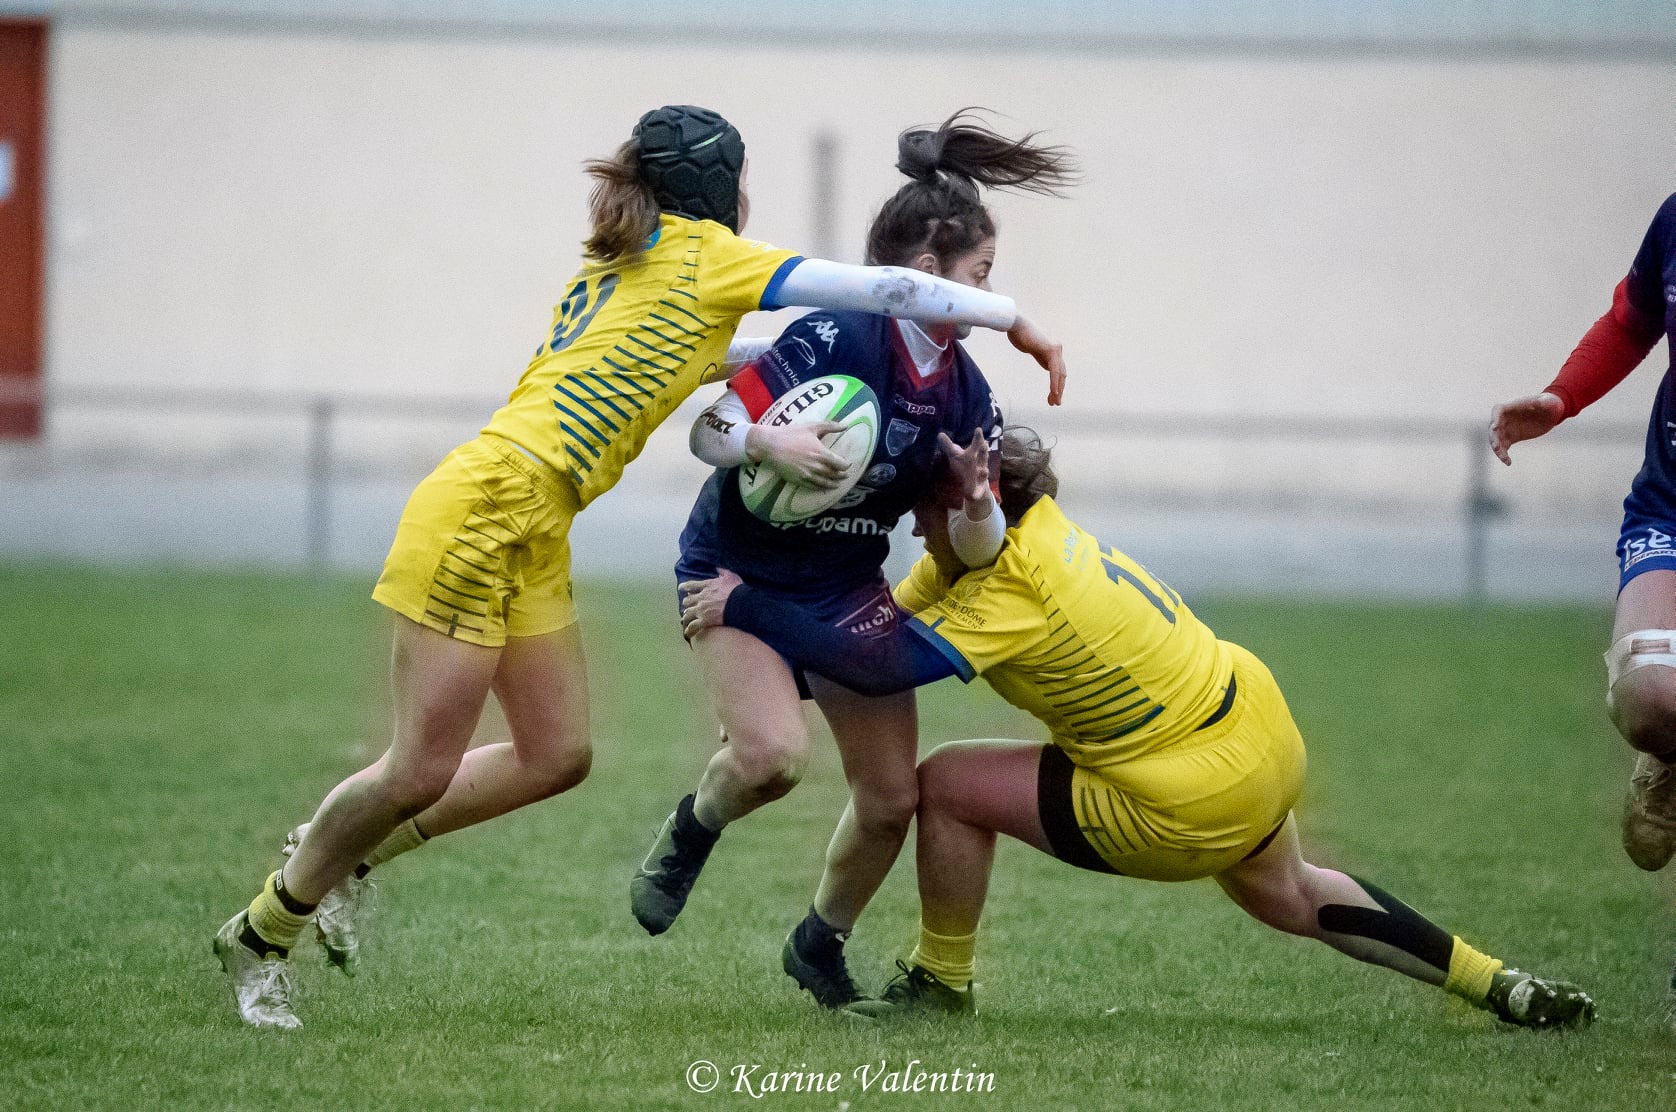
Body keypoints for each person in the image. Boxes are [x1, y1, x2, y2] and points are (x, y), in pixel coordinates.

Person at [212, 104, 1069, 1030]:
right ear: (720, 191)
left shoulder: (633, 261)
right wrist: (1016, 320)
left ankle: (342, 858)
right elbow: (885, 290)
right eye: (745, 182)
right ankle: (265, 931)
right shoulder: (707, 254)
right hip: (483, 508)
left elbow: (717, 356)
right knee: (418, 768)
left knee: (555, 756)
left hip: (536, 520)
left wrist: (781, 404)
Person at [679, 428, 1596, 1029]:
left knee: (948, 785)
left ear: (970, 507)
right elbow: (863, 645)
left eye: (924, 505)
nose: (912, 523)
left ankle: (942, 983)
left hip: (1183, 791)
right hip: (1254, 733)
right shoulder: (1020, 538)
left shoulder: (1013, 587)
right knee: (1291, 893)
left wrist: (743, 603)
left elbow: (880, 668)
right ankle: (1497, 983)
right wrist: (764, 700)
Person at [631, 111, 1075, 1011]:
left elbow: (975, 554)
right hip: (735, 571)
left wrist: (978, 505)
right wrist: (769, 442)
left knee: (889, 799)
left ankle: (818, 945)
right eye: (981, 275)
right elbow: (708, 432)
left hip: (843, 585)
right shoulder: (837, 336)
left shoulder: (968, 396)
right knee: (770, 759)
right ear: (931, 273)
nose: (989, 294)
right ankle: (692, 827)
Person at [1490, 191, 1676, 1024]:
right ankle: (1668, 755)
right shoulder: (1674, 219)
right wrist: (1562, 397)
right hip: (1671, 505)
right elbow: (1632, 321)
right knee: (1648, 696)